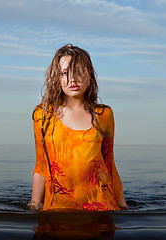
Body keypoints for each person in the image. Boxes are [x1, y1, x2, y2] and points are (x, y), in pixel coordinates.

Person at [29, 44, 127, 211]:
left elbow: (109, 164)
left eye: (79, 72)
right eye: (65, 73)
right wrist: (34, 206)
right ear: (57, 78)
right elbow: (41, 167)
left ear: (90, 76)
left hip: (101, 208)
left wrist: (124, 208)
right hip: (57, 209)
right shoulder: (43, 115)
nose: (72, 79)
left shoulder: (104, 114)